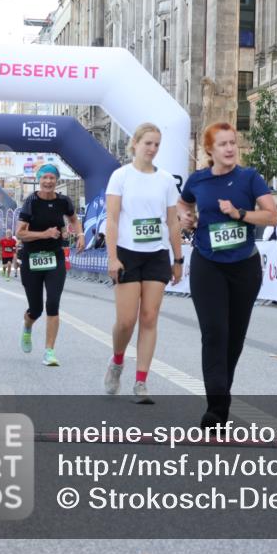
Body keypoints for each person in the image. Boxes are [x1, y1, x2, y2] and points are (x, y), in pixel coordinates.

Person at [177, 122, 277, 428]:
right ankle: (216, 407)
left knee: (233, 338)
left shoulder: (250, 178)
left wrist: (240, 214)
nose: (230, 148)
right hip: (208, 264)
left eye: (233, 142)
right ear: (210, 150)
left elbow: (272, 216)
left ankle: (221, 395)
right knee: (214, 333)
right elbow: (183, 202)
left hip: (244, 266)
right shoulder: (198, 180)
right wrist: (186, 217)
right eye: (223, 144)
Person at [103, 123, 183, 404]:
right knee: (126, 321)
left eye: (157, 144)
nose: (152, 149)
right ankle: (117, 361)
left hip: (156, 253)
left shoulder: (166, 180)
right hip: (127, 252)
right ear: (135, 143)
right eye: (148, 143)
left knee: (149, 317)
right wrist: (112, 257)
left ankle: (141, 382)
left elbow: (173, 222)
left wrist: (178, 258)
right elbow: (112, 220)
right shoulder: (120, 176)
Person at [16, 165, 85, 366]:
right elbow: (20, 233)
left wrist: (80, 234)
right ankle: (27, 326)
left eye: (52, 178)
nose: (48, 181)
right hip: (32, 258)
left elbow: (74, 219)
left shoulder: (64, 201)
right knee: (36, 309)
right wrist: (44, 234)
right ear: (39, 180)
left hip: (55, 258)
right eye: (45, 177)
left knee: (53, 303)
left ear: (56, 180)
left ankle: (49, 351)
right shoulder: (31, 202)